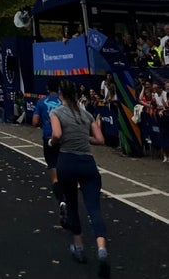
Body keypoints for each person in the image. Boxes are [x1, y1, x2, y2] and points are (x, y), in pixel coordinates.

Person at [49, 80, 110, 276]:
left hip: (67, 161)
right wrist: (85, 139)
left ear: (61, 95)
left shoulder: (56, 112)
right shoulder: (86, 114)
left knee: (72, 204)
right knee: (94, 208)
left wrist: (52, 141)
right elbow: (100, 140)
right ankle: (101, 247)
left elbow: (57, 134)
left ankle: (79, 247)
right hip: (87, 163)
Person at [32, 78, 66, 222]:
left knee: (54, 171)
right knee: (65, 168)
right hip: (64, 138)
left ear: (47, 88)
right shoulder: (63, 103)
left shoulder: (41, 102)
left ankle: (61, 201)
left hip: (49, 138)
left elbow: (34, 122)